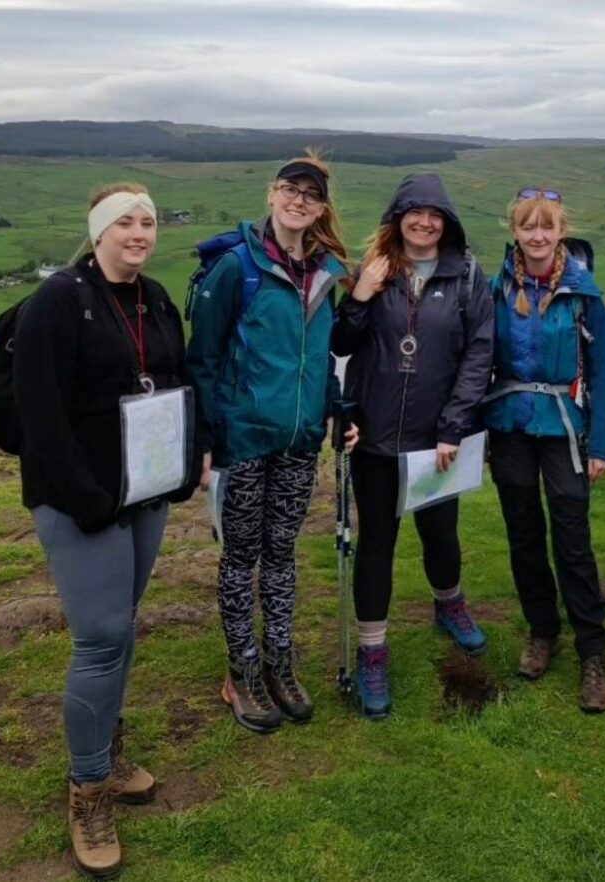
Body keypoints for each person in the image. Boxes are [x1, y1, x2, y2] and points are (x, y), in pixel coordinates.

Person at [12, 182, 204, 879]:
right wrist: (84, 497)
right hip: (79, 500)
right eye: (124, 221)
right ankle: (87, 789)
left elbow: (179, 380)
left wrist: (184, 465)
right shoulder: (58, 302)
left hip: (142, 493)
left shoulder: (155, 299)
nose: (138, 232)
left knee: (122, 623)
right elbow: (40, 415)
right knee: (100, 639)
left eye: (148, 221)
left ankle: (107, 747)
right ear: (98, 229)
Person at [187, 153, 357, 735]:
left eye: (311, 194)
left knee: (281, 555)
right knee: (241, 558)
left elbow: (319, 359)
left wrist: (336, 412)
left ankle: (279, 664)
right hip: (243, 441)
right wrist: (207, 440)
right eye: (291, 188)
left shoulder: (324, 274)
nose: (299, 200)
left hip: (299, 441)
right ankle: (242, 672)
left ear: (320, 208)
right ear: (271, 194)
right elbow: (203, 361)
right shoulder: (237, 267)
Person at [331, 173, 494, 721]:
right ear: (397, 217)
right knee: (377, 543)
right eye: (414, 212)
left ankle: (449, 605)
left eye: (436, 215)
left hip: (436, 440)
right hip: (374, 438)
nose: (425, 222)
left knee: (440, 533)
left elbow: (478, 356)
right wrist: (359, 294)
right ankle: (373, 650)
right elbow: (340, 343)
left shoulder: (468, 277)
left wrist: (454, 426)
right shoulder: (374, 271)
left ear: (447, 223)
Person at [482, 188, 605, 713]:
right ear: (514, 231)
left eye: (547, 226)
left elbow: (603, 370)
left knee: (572, 537)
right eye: (527, 227)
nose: (537, 236)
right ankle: (542, 630)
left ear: (562, 231)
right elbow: (477, 358)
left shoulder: (584, 292)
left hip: (564, 428)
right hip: (510, 424)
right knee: (523, 536)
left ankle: (592, 650)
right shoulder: (494, 288)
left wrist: (602, 443)